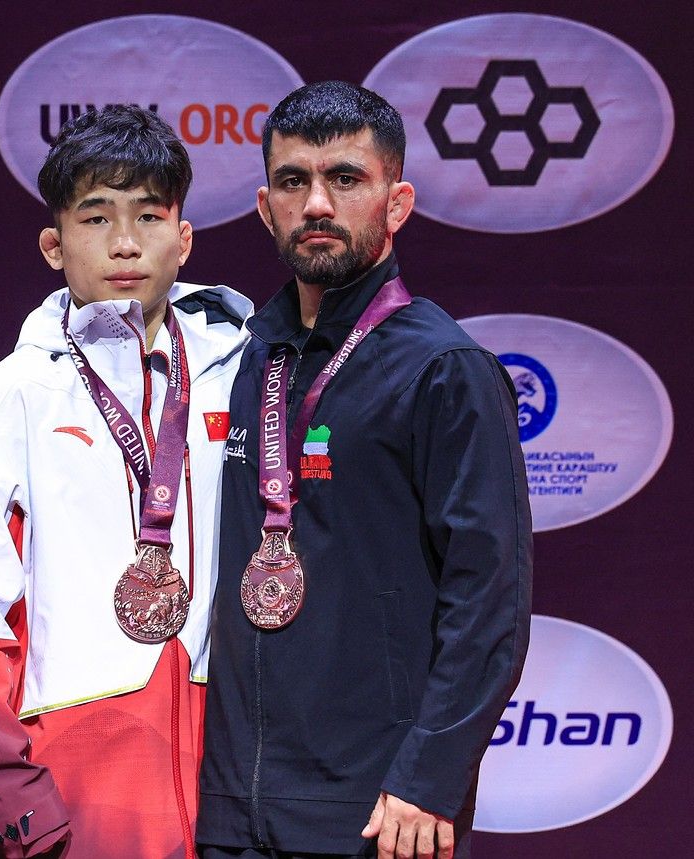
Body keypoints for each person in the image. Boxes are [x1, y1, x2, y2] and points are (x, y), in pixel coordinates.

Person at [195, 82, 532, 859]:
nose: (316, 203)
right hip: (232, 813)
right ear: (263, 205)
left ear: (397, 200)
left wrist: (431, 775)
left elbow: (490, 600)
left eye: (345, 179)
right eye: (293, 181)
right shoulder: (244, 360)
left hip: (382, 814)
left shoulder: (445, 368)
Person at [0, 105, 253, 858]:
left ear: (184, 237)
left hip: (238, 758)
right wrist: (8, 784)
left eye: (149, 216)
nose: (126, 243)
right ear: (53, 242)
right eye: (96, 217)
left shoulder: (249, 378)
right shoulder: (1, 401)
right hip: (74, 759)